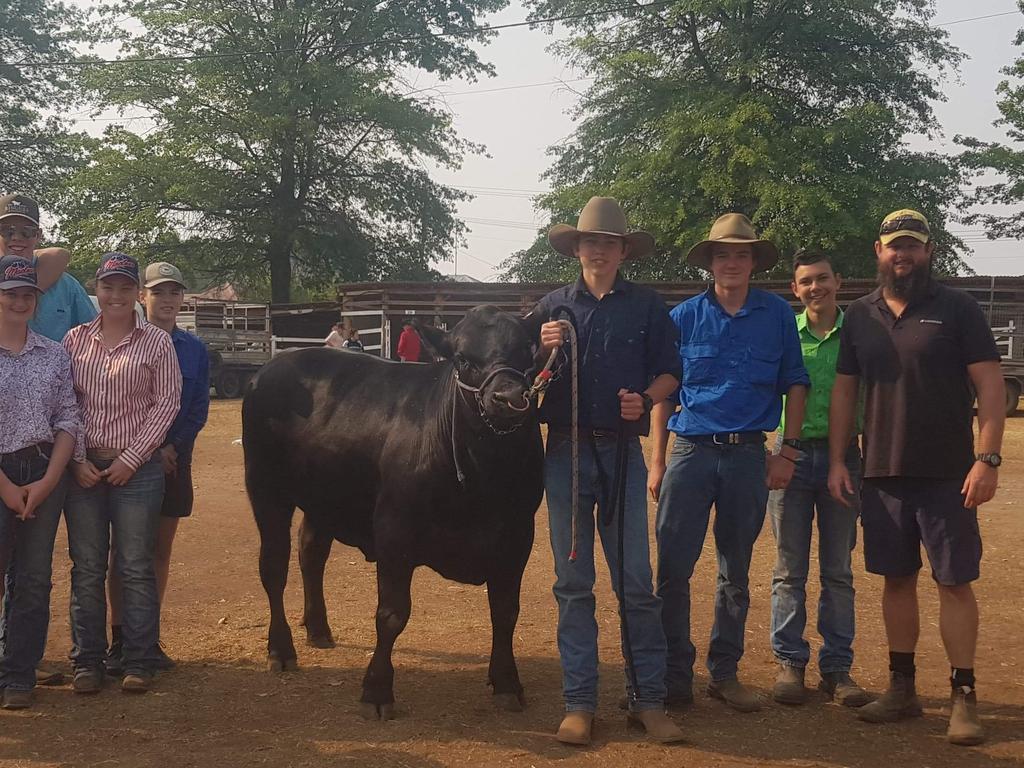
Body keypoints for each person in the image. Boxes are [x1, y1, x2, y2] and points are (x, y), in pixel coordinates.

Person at [828, 210, 1005, 746]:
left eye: (913, 246)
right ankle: (901, 689)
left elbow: (991, 389)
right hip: (881, 473)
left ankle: (963, 697)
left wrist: (987, 459)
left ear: (928, 252)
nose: (902, 255)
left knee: (954, 582)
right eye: (892, 246)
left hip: (949, 475)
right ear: (878, 251)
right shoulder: (860, 314)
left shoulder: (958, 308)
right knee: (896, 580)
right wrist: (839, 460)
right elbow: (844, 393)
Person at [529, 197, 684, 746]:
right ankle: (580, 703)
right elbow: (527, 386)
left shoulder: (646, 306)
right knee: (573, 584)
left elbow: (672, 373)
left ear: (623, 251)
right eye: (590, 241)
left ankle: (649, 701)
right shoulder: (549, 308)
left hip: (621, 452)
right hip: (565, 456)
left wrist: (644, 398)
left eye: (610, 242)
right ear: (576, 248)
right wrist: (540, 355)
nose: (599, 249)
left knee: (635, 583)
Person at [651, 213, 809, 713]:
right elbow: (664, 392)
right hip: (690, 453)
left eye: (742, 254)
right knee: (673, 571)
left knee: (734, 572)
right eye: (724, 254)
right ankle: (676, 674)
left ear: (754, 262)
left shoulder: (777, 315)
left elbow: (796, 383)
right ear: (710, 262)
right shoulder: (682, 318)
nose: (733, 262)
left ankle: (725, 672)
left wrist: (788, 450)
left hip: (747, 455)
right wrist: (657, 462)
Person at [63, 253, 181, 695]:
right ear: (98, 288)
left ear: (136, 293)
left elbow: (166, 403)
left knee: (134, 565)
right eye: (108, 287)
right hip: (85, 467)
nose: (115, 295)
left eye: (124, 288)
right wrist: (76, 460)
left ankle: (138, 657)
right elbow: (65, 405)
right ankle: (87, 660)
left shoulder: (156, 343)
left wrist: (131, 458)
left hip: (138, 469)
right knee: (88, 566)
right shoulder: (75, 340)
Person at [767, 250, 870, 707]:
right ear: (795, 288)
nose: (815, 288)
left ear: (838, 280)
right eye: (806, 281)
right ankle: (790, 663)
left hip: (844, 459)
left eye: (823, 279)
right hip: (790, 455)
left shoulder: (861, 332)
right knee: (789, 569)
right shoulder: (783, 333)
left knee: (838, 570)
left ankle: (837, 668)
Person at [0, 193, 91, 688]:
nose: (17, 238)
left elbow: (70, 405)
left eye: (25, 230)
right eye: (8, 229)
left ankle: (19, 671)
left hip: (46, 456)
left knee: (34, 576)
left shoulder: (65, 297)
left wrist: (57, 468)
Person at [106, 262, 209, 675]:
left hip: (173, 461)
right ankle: (118, 639)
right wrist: (146, 449)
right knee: (122, 553)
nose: (168, 300)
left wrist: (171, 446)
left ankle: (145, 636)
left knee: (157, 551)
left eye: (175, 293)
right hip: (126, 460)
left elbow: (197, 406)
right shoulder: (123, 341)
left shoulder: (194, 350)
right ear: (142, 296)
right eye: (159, 292)